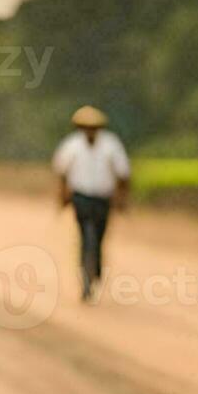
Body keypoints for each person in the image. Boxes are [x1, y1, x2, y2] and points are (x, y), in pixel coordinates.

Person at [52, 106, 131, 302]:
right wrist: (62, 197)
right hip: (81, 198)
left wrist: (122, 199)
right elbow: (62, 173)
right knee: (85, 234)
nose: (89, 131)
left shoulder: (111, 145)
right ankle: (86, 280)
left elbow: (123, 174)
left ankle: (95, 269)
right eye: (86, 127)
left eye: (93, 128)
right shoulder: (72, 145)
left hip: (103, 199)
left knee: (100, 236)